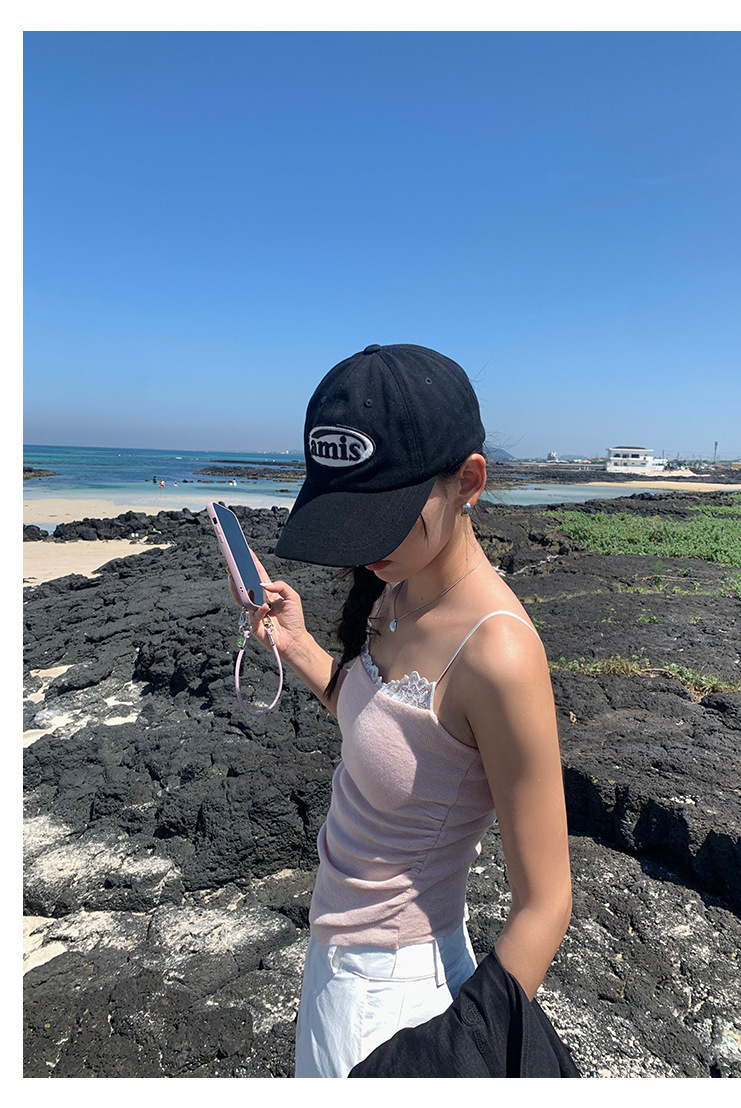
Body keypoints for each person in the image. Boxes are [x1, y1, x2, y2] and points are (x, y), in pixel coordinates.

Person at [236, 343, 572, 1078]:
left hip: (397, 1011)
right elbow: (385, 734)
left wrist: (444, 1056)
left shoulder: (498, 653)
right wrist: (300, 648)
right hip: (335, 967)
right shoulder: (396, 588)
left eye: (381, 514)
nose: (364, 546)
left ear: (468, 482)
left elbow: (546, 904)